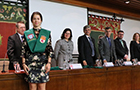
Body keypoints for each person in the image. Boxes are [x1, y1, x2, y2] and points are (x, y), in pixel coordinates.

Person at [21, 12, 54, 90]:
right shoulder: (27, 34)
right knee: (32, 88)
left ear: (41, 20)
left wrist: (49, 63)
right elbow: (23, 50)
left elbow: (50, 50)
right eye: (34, 18)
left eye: (38, 18)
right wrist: (23, 63)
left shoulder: (46, 34)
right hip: (30, 64)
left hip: (43, 64)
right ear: (32, 20)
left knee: (42, 88)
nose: (36, 20)